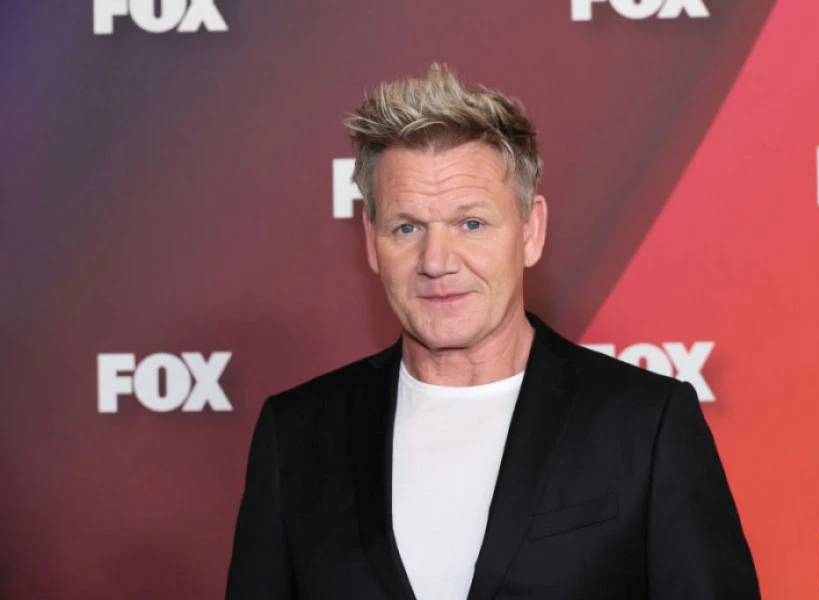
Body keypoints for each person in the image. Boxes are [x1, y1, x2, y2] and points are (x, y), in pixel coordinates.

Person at [225, 63, 760, 599]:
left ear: (531, 231)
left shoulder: (645, 424)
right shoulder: (296, 436)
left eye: (471, 224)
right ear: (371, 241)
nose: (436, 261)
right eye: (407, 227)